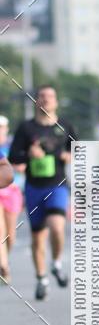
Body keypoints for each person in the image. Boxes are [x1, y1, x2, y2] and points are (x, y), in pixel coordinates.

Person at [8, 86, 76, 300]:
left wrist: (69, 155)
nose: (46, 100)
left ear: (56, 101)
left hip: (57, 185)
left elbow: (81, 151)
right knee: (38, 238)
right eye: (42, 97)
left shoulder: (64, 125)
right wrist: (29, 153)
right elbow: (13, 158)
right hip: (34, 188)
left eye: (50, 97)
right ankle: (42, 279)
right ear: (36, 101)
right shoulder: (26, 128)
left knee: (57, 227)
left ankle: (56, 263)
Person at [0, 115, 23, 283]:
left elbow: (21, 164)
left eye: (2, 127)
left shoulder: (11, 145)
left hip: (13, 191)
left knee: (10, 235)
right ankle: (4, 265)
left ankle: (4, 259)